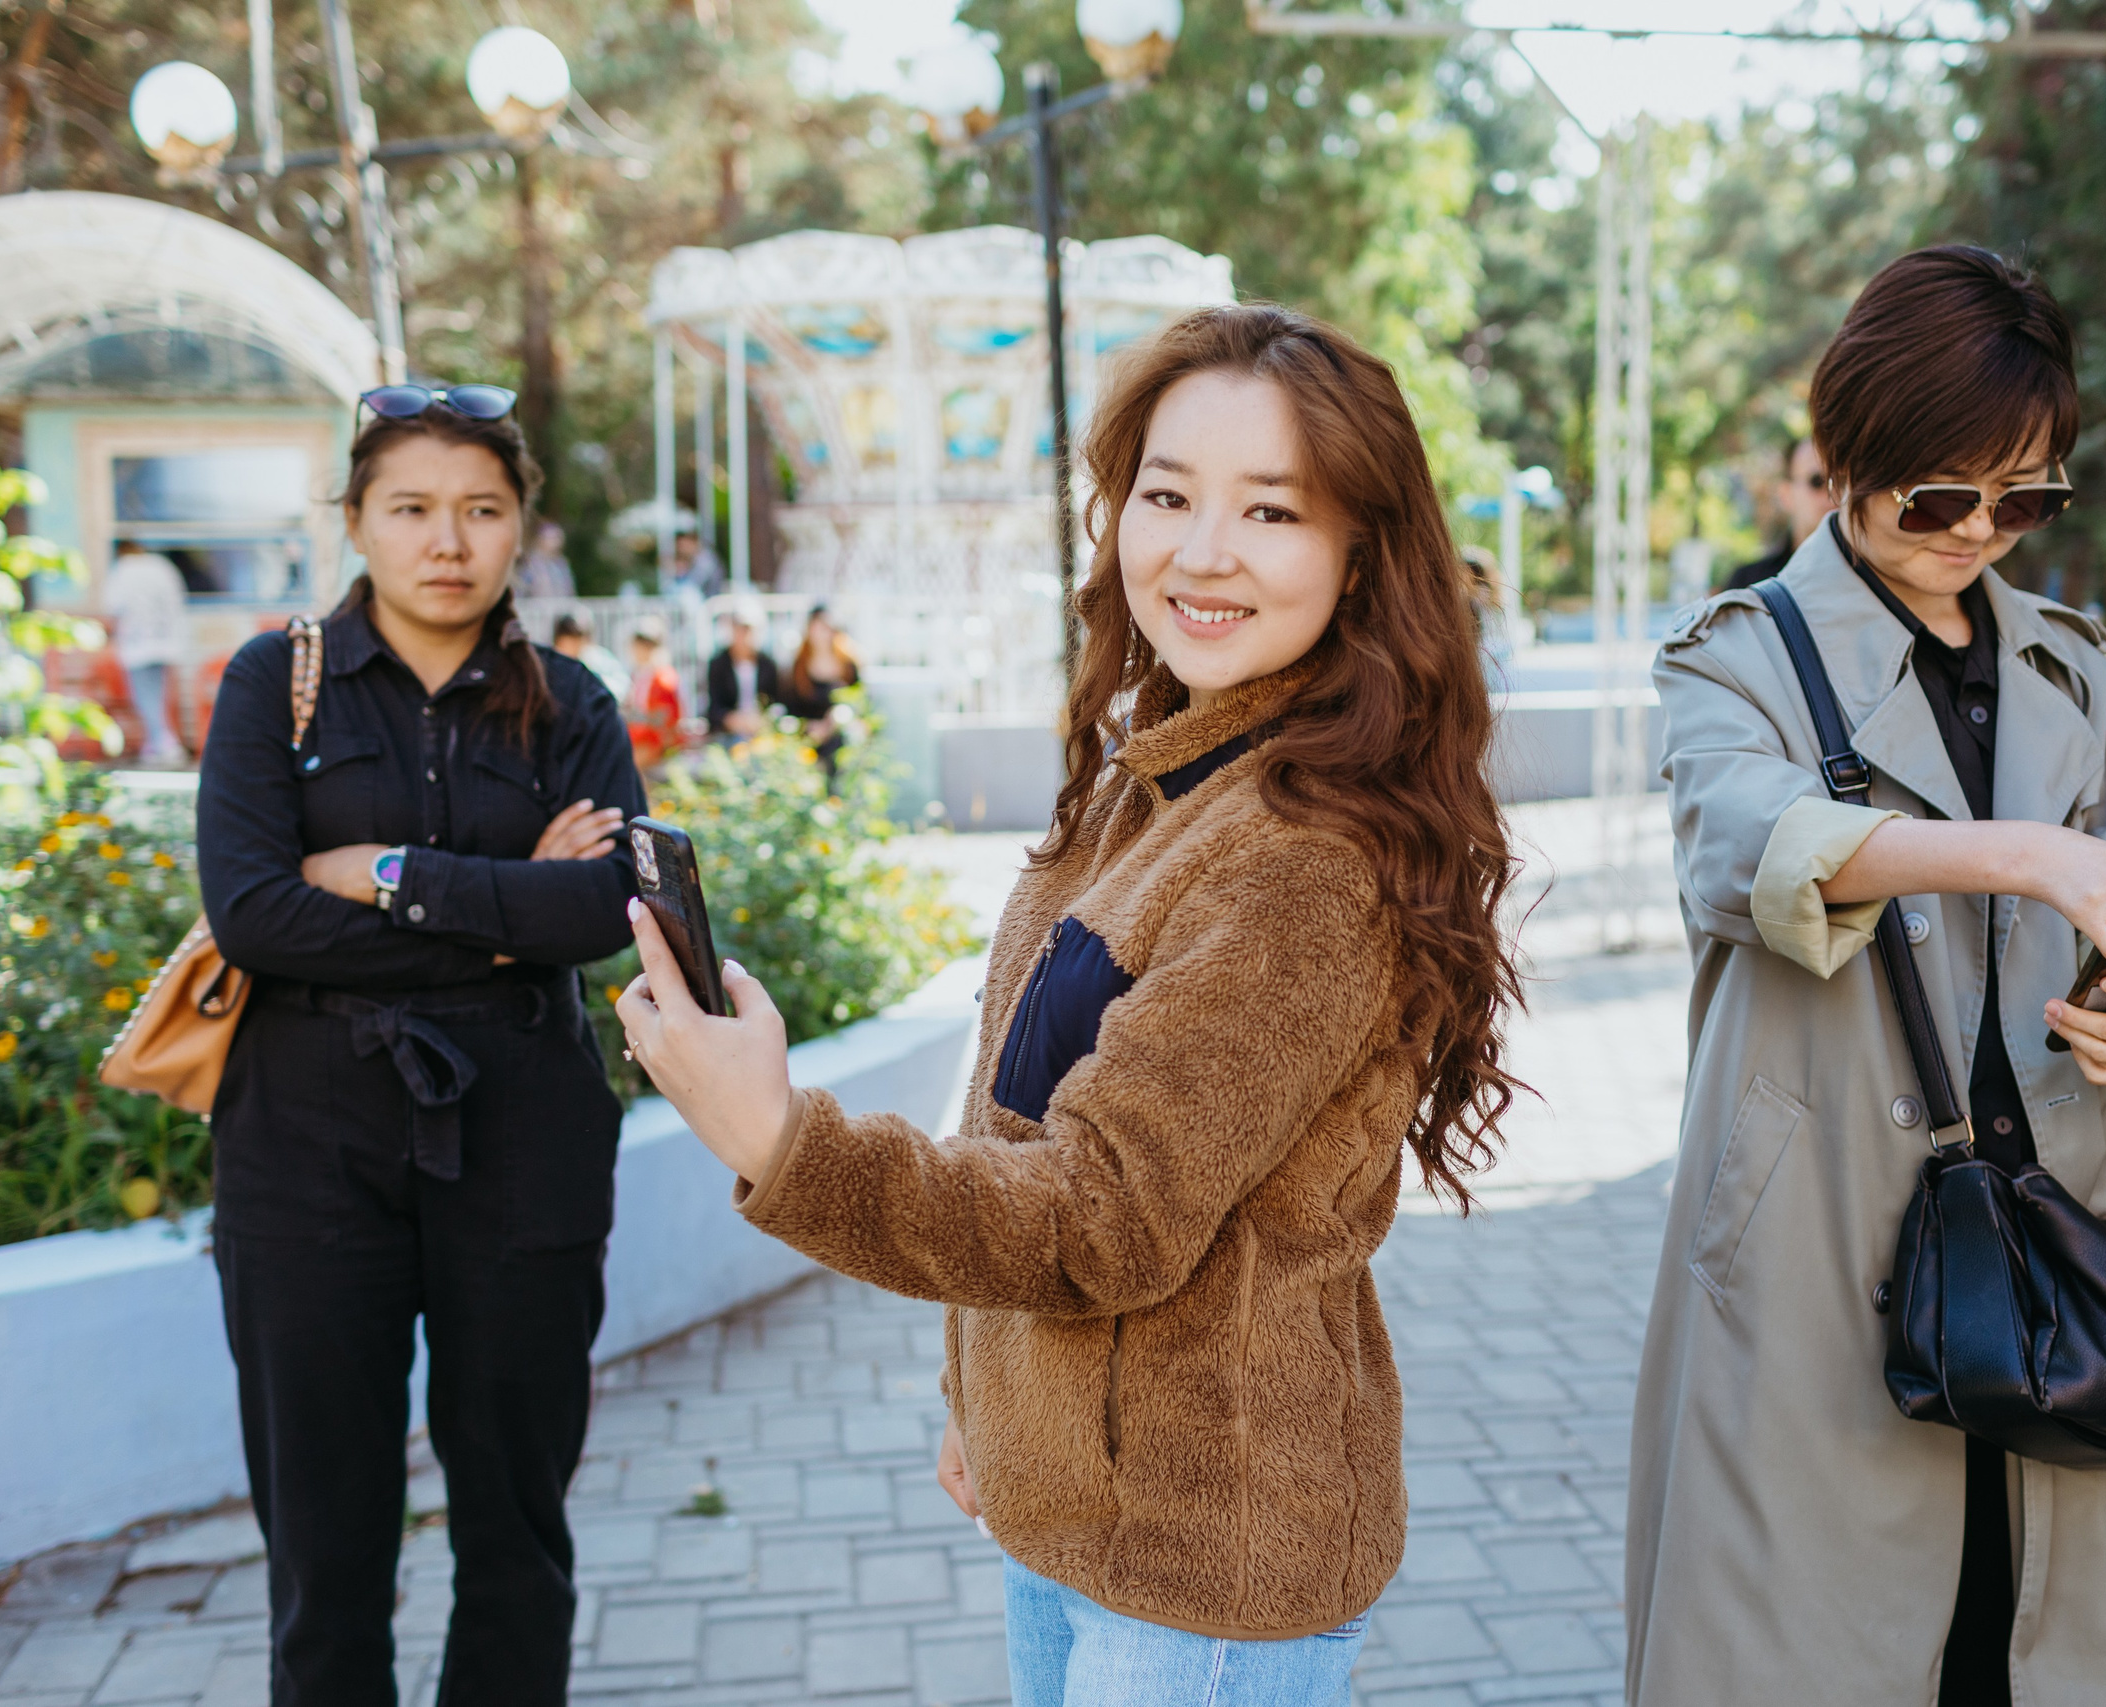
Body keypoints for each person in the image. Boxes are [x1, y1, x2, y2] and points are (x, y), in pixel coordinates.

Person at [614, 304, 1523, 1707]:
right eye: (1167, 495)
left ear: (1361, 554)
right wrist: (979, 1401)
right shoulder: (1156, 781)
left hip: (1202, 1573)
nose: (1201, 551)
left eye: (1271, 509)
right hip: (1069, 1517)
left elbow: (1101, 1215)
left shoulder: (1303, 857)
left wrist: (781, 1139)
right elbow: (1016, 1124)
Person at [1624, 246, 2106, 1706]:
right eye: (1939, 494)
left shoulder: (2065, 667)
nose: (1977, 532)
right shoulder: (1737, 657)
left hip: (2059, 1260)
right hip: (1822, 1250)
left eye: (2023, 500)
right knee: (1816, 1641)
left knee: (2050, 1646)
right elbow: (1746, 852)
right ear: (1847, 456)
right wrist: (2024, 853)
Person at [194, 386, 648, 1705]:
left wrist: (387, 873)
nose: (446, 540)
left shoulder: (570, 702)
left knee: (516, 1524)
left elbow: (605, 911)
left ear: (519, 527)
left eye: (480, 509)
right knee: (322, 1537)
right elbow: (256, 912)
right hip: (303, 1141)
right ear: (354, 521)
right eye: (410, 508)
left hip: (525, 1135)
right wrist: (506, 917)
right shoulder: (272, 685)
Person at [103, 540, 191, 765]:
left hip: (137, 643)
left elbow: (113, 606)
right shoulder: (161, 566)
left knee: (145, 697)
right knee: (160, 695)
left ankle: (164, 743)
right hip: (165, 640)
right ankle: (156, 743)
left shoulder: (123, 571)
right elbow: (178, 599)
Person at [1723, 435, 1834, 591]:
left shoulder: (1867, 578)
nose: (1835, 493)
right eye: (1818, 481)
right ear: (1786, 495)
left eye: (1843, 481)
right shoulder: (1749, 584)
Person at [777, 605, 860, 784]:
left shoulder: (847, 665)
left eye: (826, 628)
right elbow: (789, 707)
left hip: (838, 735)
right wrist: (808, 726)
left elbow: (859, 701)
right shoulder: (798, 666)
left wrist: (837, 719)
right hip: (806, 735)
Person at [703, 606, 783, 746]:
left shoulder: (768, 665)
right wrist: (731, 719)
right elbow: (714, 708)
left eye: (748, 629)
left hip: (762, 733)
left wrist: (764, 720)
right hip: (728, 734)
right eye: (739, 629)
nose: (744, 635)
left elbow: (778, 703)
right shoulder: (719, 664)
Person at [623, 615, 686, 770]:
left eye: (647, 645)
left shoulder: (663, 678)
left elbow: (664, 722)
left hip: (655, 746)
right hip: (637, 741)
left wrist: (633, 717)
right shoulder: (638, 674)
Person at [550, 608, 630, 702]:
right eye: (571, 639)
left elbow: (620, 687)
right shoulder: (551, 664)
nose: (577, 645)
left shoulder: (598, 660)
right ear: (559, 641)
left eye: (580, 638)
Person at [516, 518, 574, 599]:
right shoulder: (531, 564)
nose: (556, 542)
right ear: (541, 539)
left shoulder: (562, 563)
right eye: (552, 538)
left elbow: (569, 590)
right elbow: (521, 590)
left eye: (558, 537)